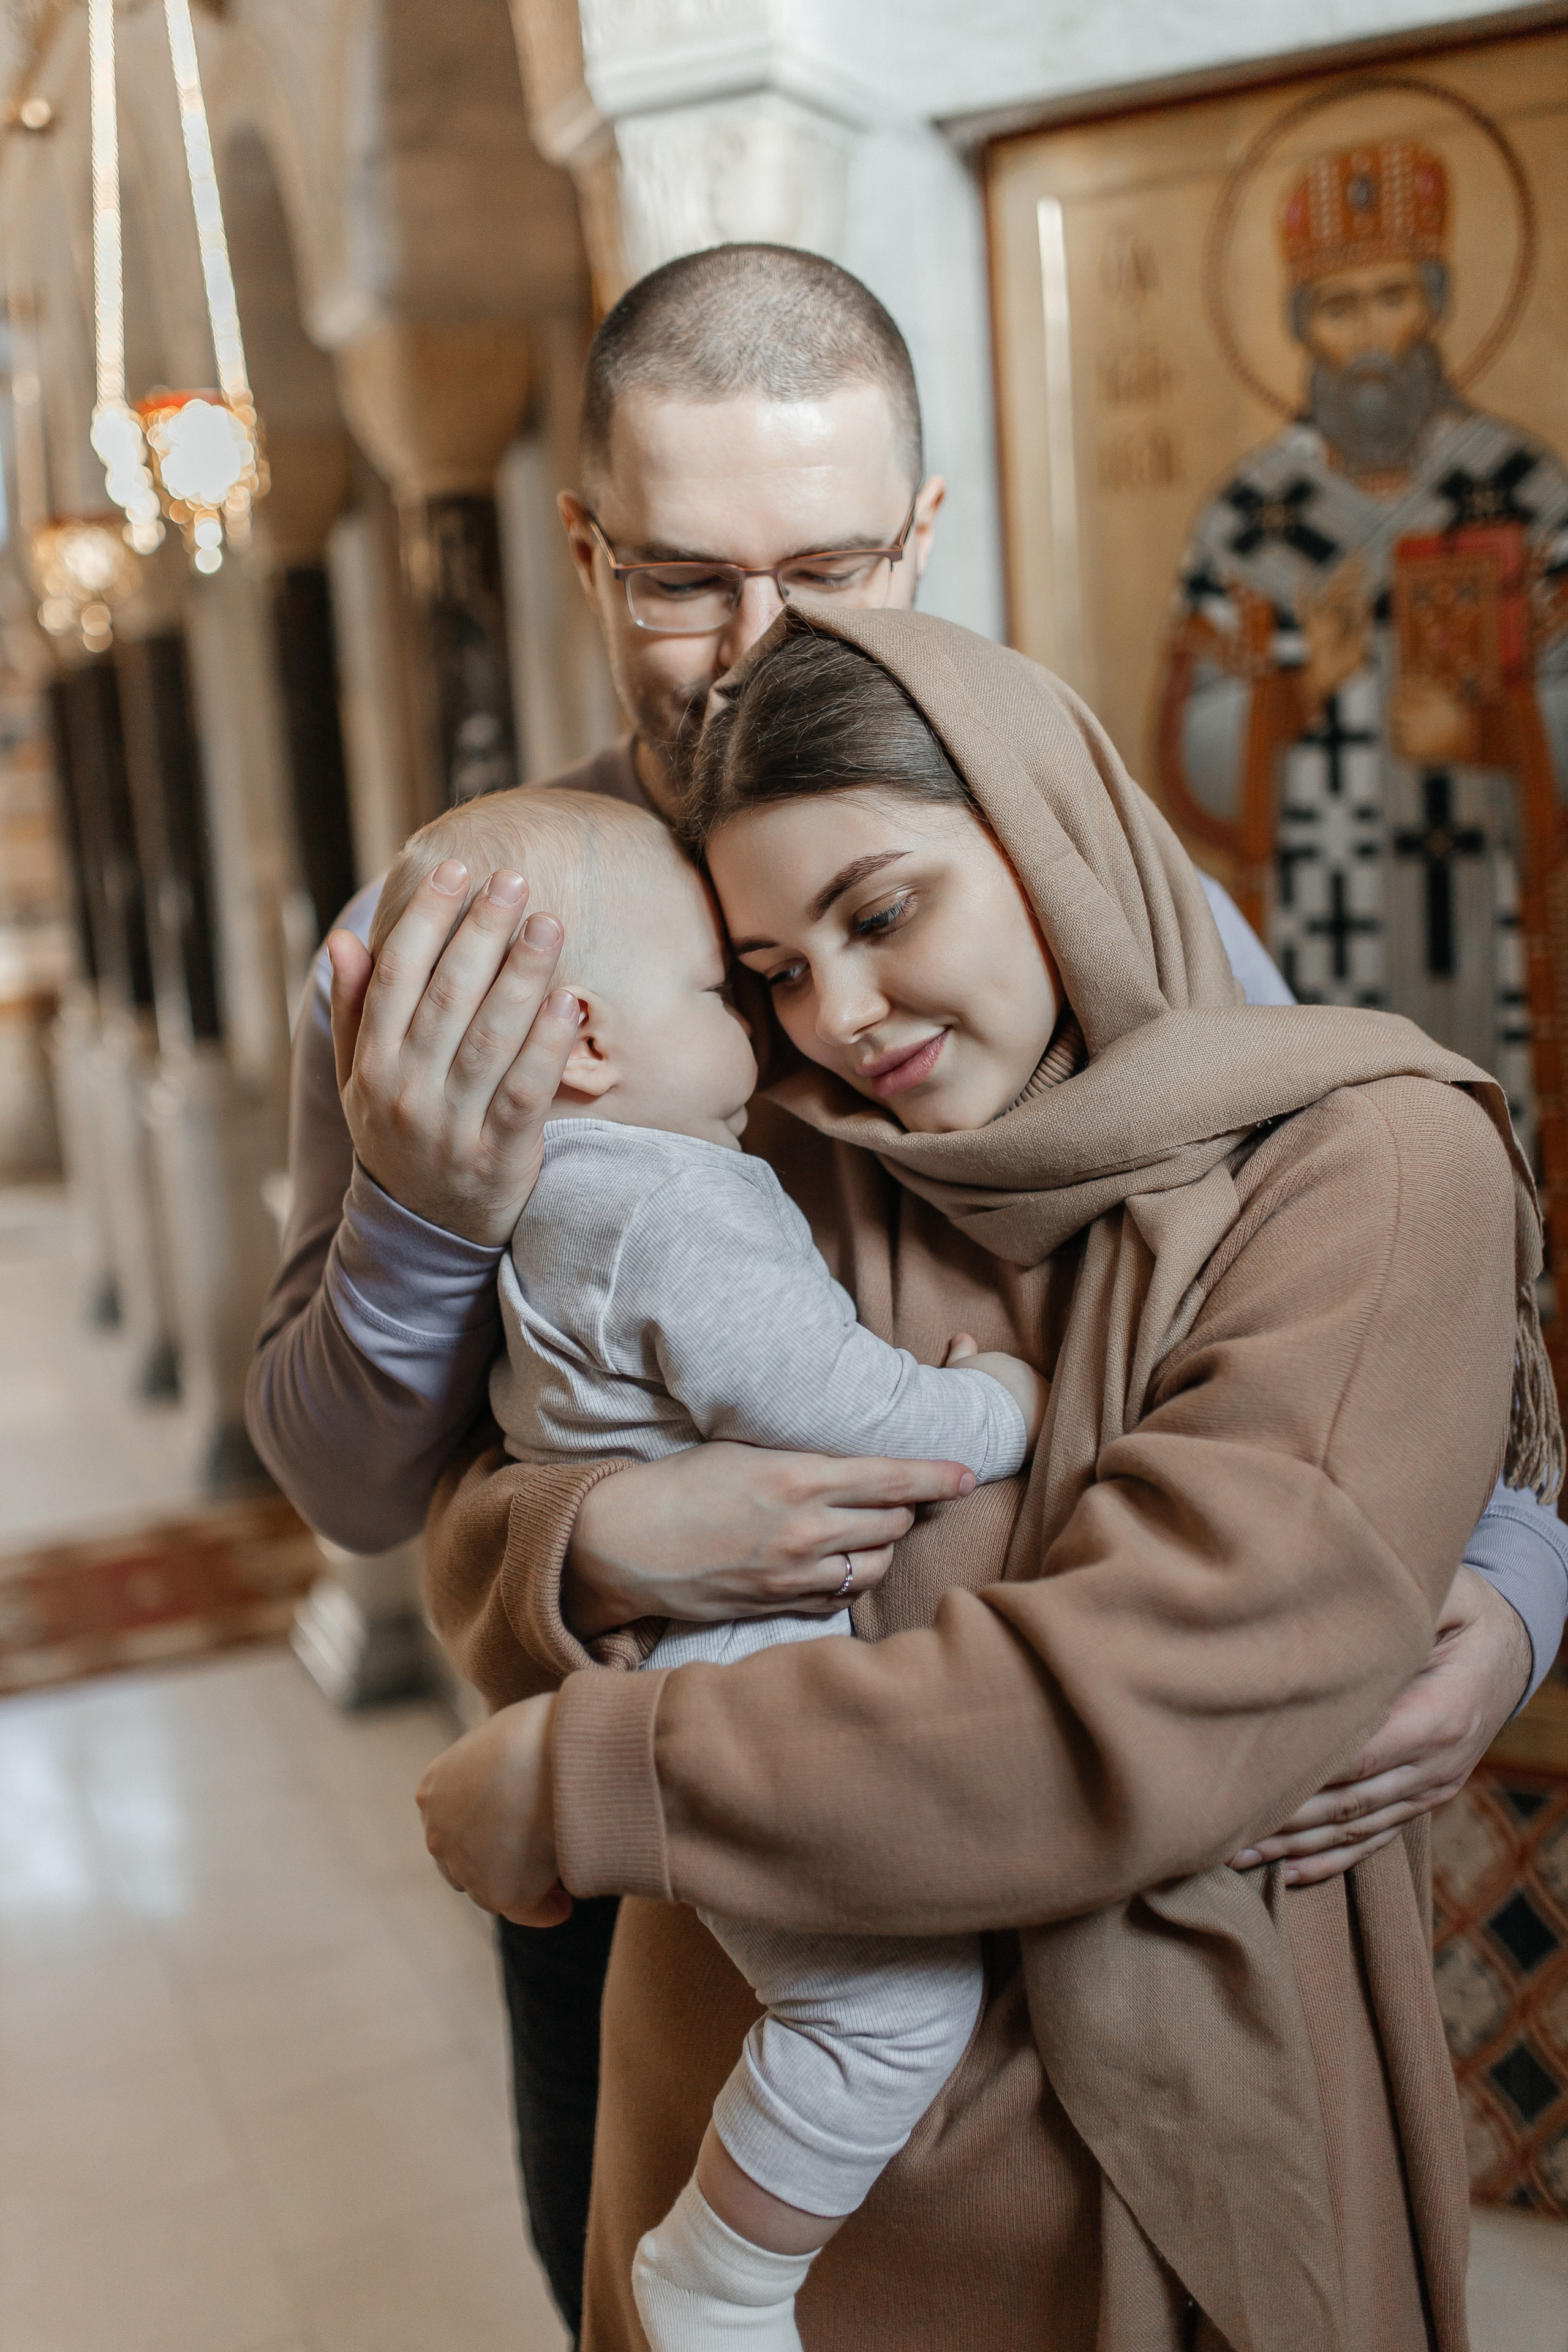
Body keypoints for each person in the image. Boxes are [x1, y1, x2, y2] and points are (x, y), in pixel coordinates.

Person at [246, 244, 1567, 2338]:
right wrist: (434, 1225)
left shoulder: (1073, 891)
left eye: (834, 566)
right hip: (702, 1838)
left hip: (1104, 1848)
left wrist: (1504, 1579)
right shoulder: (478, 925)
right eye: (682, 578)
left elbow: (1335, 1291)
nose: (753, 645)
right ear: (586, 548)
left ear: (926, 536)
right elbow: (362, 1487)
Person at [372, 781, 1051, 2351]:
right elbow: (840, 1413)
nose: (773, 1022)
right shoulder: (664, 1203)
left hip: (690, 1671)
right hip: (733, 1679)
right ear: (597, 1043)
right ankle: (723, 2277)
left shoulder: (567, 1201)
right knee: (884, 2007)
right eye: (726, 988)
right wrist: (994, 1405)